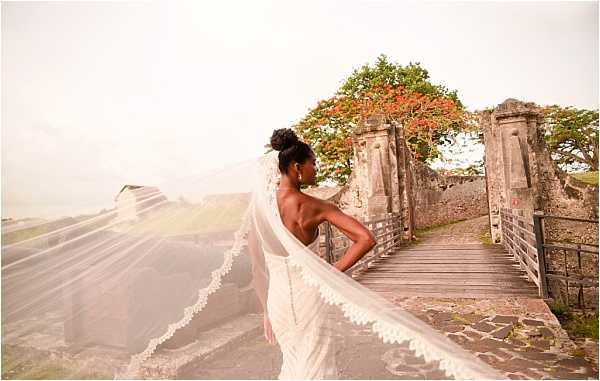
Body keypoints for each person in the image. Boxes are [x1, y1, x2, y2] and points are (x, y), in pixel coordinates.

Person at [247, 128, 376, 379]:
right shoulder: (316, 207)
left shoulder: (259, 210)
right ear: (296, 167)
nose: (316, 169)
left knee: (293, 361)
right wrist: (330, 272)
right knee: (317, 364)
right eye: (313, 163)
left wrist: (266, 311)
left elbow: (256, 268)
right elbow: (366, 239)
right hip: (311, 297)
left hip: (278, 302)